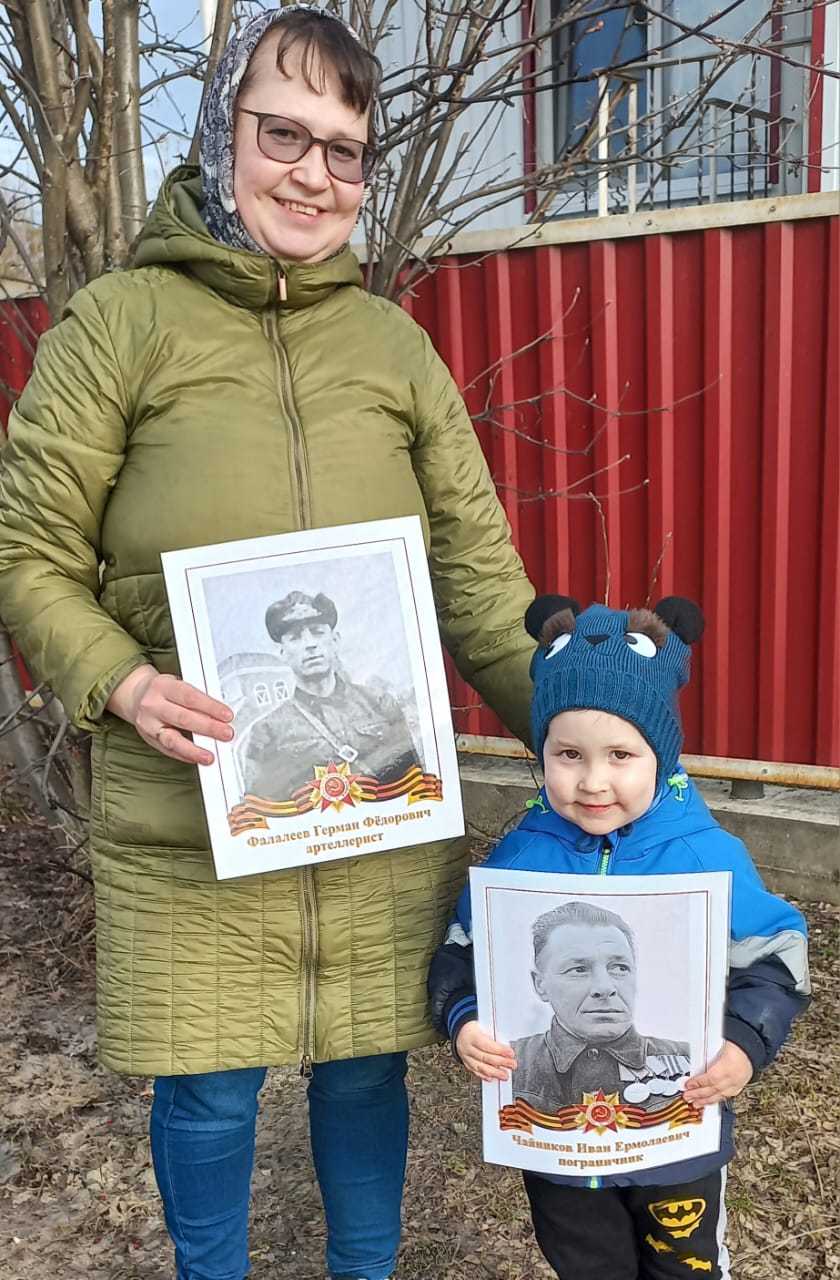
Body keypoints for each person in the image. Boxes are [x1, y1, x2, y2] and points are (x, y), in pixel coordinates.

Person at [0, 9, 538, 1280]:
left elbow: (479, 582)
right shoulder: (120, 325)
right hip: (187, 805)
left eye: (344, 150)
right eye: (281, 134)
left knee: (363, 1070)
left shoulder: (394, 349)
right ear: (220, 136)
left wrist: (597, 726)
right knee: (209, 1085)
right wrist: (120, 681)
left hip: (374, 801)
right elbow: (29, 553)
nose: (312, 174)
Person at [428, 595, 810, 1280]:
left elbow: (775, 956)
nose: (593, 781)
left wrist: (745, 1043)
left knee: (685, 1267)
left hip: (678, 1147)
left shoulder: (704, 856)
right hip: (560, 1157)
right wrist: (464, 1019)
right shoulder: (520, 857)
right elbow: (465, 949)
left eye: (621, 755)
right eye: (568, 754)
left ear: (660, 753)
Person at [510, 900, 690, 1116]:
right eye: (578, 969)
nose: (605, 987)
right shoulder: (509, 1061)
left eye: (620, 968)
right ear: (540, 984)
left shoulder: (690, 1057)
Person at [240, 589, 420, 799]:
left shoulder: (379, 703)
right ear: (282, 652)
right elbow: (263, 807)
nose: (310, 644)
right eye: (295, 638)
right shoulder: (267, 732)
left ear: (335, 641)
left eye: (317, 632)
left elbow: (413, 781)